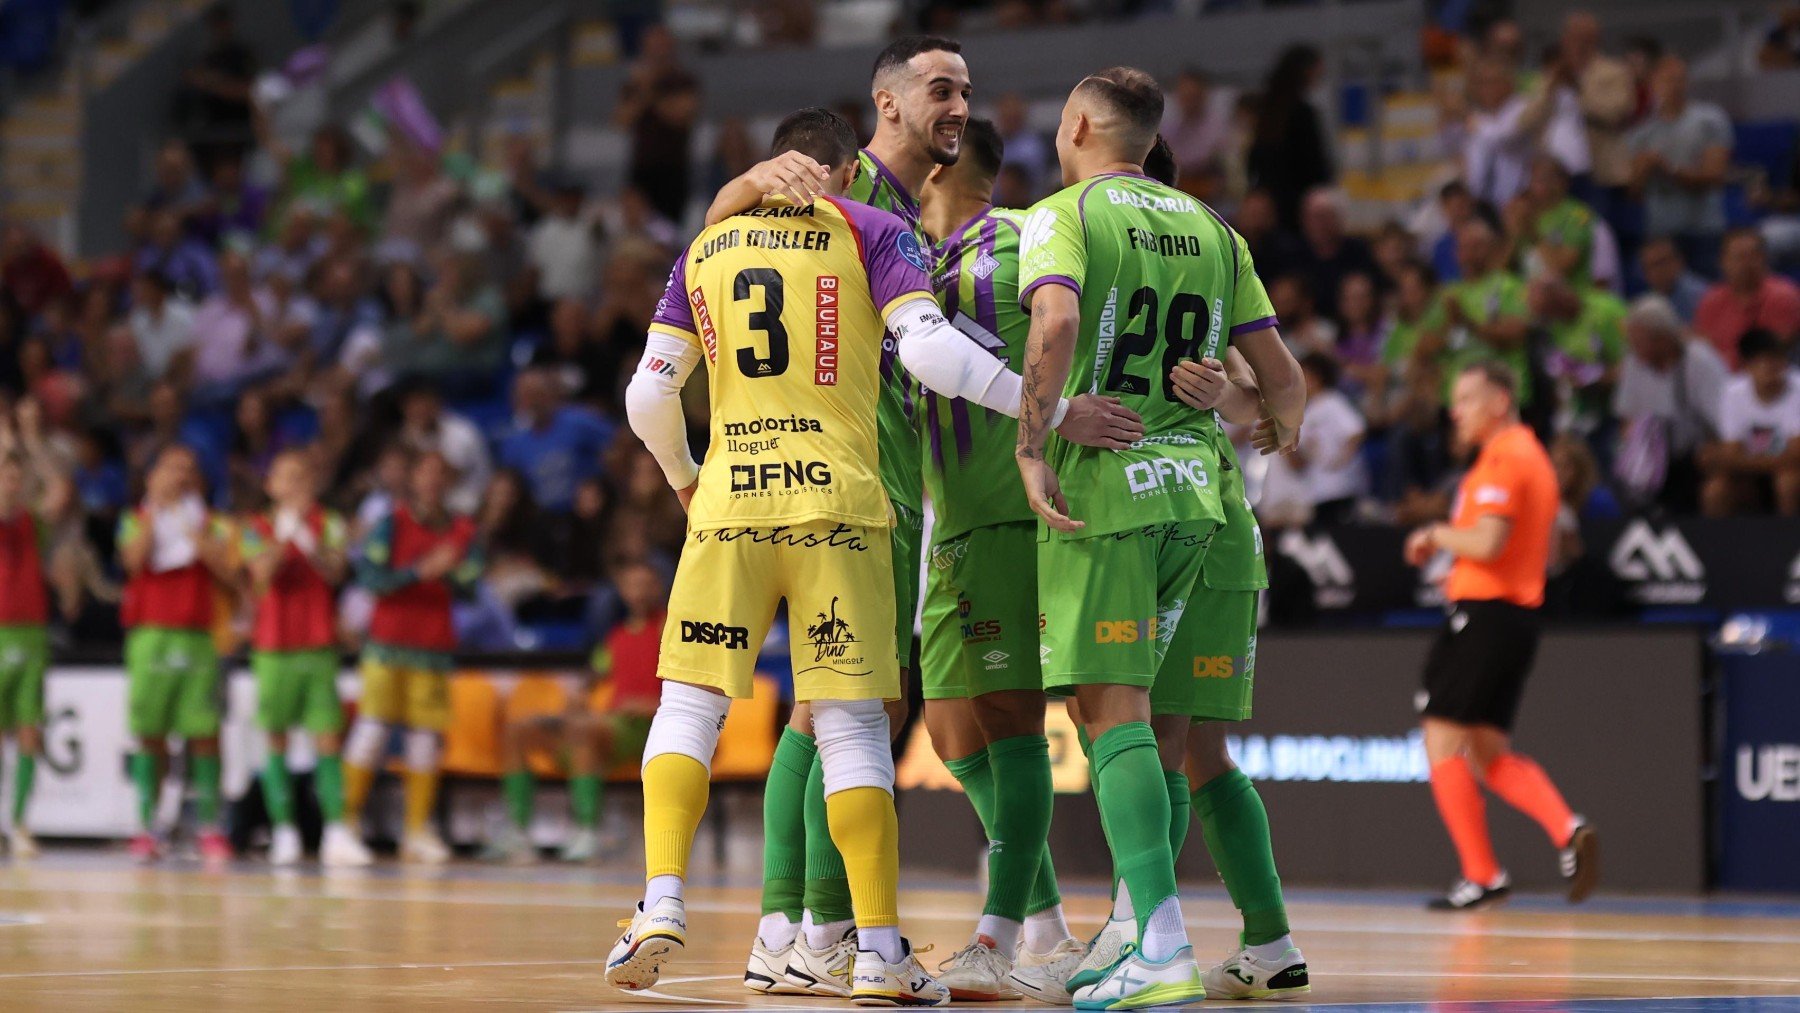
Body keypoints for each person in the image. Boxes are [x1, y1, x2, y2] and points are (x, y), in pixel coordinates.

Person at [613, 106, 1075, 1006]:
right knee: (854, 725)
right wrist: (1040, 407)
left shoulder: (704, 251)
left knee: (689, 706)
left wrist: (684, 481)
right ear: (840, 169)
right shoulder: (872, 230)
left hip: (729, 502)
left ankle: (660, 896)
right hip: (841, 505)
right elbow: (934, 351)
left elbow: (646, 395)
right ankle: (874, 951)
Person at [1013, 67, 1306, 1009]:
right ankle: (1176, 930)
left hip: (1112, 491)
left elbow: (1055, 318)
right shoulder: (1216, 230)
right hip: (1203, 499)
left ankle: (1160, 940)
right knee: (1179, 734)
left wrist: (1035, 436)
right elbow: (1285, 383)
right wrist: (1265, 423)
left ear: (1082, 124)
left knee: (1113, 719)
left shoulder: (1066, 212)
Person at [702, 36, 972, 996]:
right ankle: (823, 928)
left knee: (825, 709)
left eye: (967, 93)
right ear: (883, 107)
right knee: (857, 708)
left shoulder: (895, 209)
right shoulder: (855, 206)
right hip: (860, 487)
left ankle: (792, 926)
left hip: (839, 481)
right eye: (942, 90)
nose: (961, 108)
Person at [913, 119, 1138, 1000]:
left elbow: (1074, 329)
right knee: (948, 730)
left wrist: (1058, 423)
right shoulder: (921, 262)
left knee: (1008, 722)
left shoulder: (1020, 237)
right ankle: (1046, 922)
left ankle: (1000, 937)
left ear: (941, 166)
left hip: (1011, 513)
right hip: (950, 522)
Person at [1403, 362, 1599, 910]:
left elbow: (1487, 543)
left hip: (1484, 617)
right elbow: (1517, 551)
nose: (1455, 411)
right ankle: (1566, 827)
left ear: (1500, 400)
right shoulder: (1528, 456)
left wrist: (1434, 534)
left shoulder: (1505, 456)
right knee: (1489, 753)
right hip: (1513, 616)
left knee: (1442, 739)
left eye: (1466, 398)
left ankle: (1481, 874)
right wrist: (1460, 569)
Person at [343, 451, 483, 864]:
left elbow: (472, 587)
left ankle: (417, 830)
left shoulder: (463, 531)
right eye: (426, 472)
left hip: (433, 648)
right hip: (386, 644)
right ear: (414, 479)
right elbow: (369, 577)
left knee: (425, 740)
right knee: (372, 732)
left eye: (442, 474)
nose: (433, 482)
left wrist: (449, 574)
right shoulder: (391, 523)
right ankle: (345, 824)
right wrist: (418, 573)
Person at [240, 449, 372, 867]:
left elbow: (335, 571)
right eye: (287, 477)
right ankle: (283, 831)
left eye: (303, 476)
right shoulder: (253, 528)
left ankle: (336, 831)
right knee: (275, 737)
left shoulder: (329, 523)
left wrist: (308, 539)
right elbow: (261, 573)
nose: (295, 484)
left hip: (317, 642)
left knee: (327, 737)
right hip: (274, 644)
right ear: (271, 486)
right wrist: (286, 531)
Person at [489, 560, 667, 864]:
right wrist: (577, 698)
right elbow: (594, 675)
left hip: (647, 728)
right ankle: (517, 832)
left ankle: (587, 830)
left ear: (658, 589)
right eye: (631, 585)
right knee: (518, 730)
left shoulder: (670, 630)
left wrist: (651, 704)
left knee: (584, 731)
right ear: (622, 591)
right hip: (609, 725)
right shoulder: (617, 636)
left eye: (644, 585)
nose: (637, 592)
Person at [118, 445, 234, 861]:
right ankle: (146, 827)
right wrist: (156, 511)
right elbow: (133, 560)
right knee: (150, 733)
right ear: (153, 476)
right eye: (171, 469)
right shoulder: (135, 518)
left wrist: (194, 531)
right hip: (151, 634)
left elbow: (228, 571)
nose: (180, 477)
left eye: (188, 470)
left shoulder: (212, 523)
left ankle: (209, 827)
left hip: (197, 636)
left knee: (204, 733)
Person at [0, 402, 60, 859]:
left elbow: (59, 490)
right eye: (5, 475)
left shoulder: (30, 522)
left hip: (30, 633)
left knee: (28, 730)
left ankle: (19, 822)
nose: (12, 484)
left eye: (17, 478)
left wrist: (32, 440)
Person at [1613, 295, 1727, 512]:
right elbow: (1627, 418)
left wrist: (1715, 450)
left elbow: (1724, 423)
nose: (1633, 348)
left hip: (1697, 452)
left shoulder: (1700, 361)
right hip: (1654, 458)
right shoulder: (1633, 364)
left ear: (1663, 338)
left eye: (1638, 341)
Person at [1627, 55, 1732, 274]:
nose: (1673, 86)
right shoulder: (1640, 134)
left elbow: (1714, 177)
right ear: (1653, 84)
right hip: (1661, 233)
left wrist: (1668, 169)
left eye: (1679, 79)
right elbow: (1634, 192)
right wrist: (1642, 171)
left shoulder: (1711, 120)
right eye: (1667, 80)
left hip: (1704, 230)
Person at [1420, 217, 1533, 406]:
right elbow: (1422, 350)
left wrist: (1467, 323)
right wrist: (1448, 328)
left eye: (1477, 247)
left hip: (1502, 398)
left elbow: (1515, 335)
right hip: (1459, 401)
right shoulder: (1449, 295)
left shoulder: (1508, 287)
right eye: (1464, 247)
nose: (1470, 254)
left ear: (1491, 249)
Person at [1700, 329, 1800, 516]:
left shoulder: (1797, 389)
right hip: (1751, 476)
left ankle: (1791, 541)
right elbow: (1731, 450)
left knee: (1788, 483)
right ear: (1748, 367)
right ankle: (1720, 543)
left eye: (1778, 364)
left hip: (1788, 473)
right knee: (1715, 491)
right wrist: (1731, 459)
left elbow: (1796, 457)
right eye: (1766, 366)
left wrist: (1734, 459)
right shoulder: (1732, 393)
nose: (1774, 373)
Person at [497, 368, 616, 515]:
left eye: (536, 395)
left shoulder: (580, 421)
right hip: (543, 519)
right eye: (526, 397)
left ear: (550, 395)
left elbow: (618, 443)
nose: (532, 403)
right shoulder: (513, 444)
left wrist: (600, 483)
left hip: (589, 511)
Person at [1247, 45, 1333, 231]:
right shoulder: (1301, 114)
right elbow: (1314, 163)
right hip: (1299, 203)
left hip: (1273, 200)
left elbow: (1254, 158)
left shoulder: (1268, 111)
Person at [1693, 229, 1800, 370]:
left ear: (1765, 259)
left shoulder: (1784, 296)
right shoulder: (1711, 300)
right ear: (1722, 262)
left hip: (1769, 379)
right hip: (1719, 380)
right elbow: (1702, 348)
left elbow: (1772, 352)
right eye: (1740, 257)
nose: (1747, 264)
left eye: (1753, 256)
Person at [1638, 236, 1710, 323]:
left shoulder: (1701, 295)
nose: (1657, 271)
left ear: (1679, 261)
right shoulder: (1648, 301)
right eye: (1650, 266)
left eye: (1661, 263)